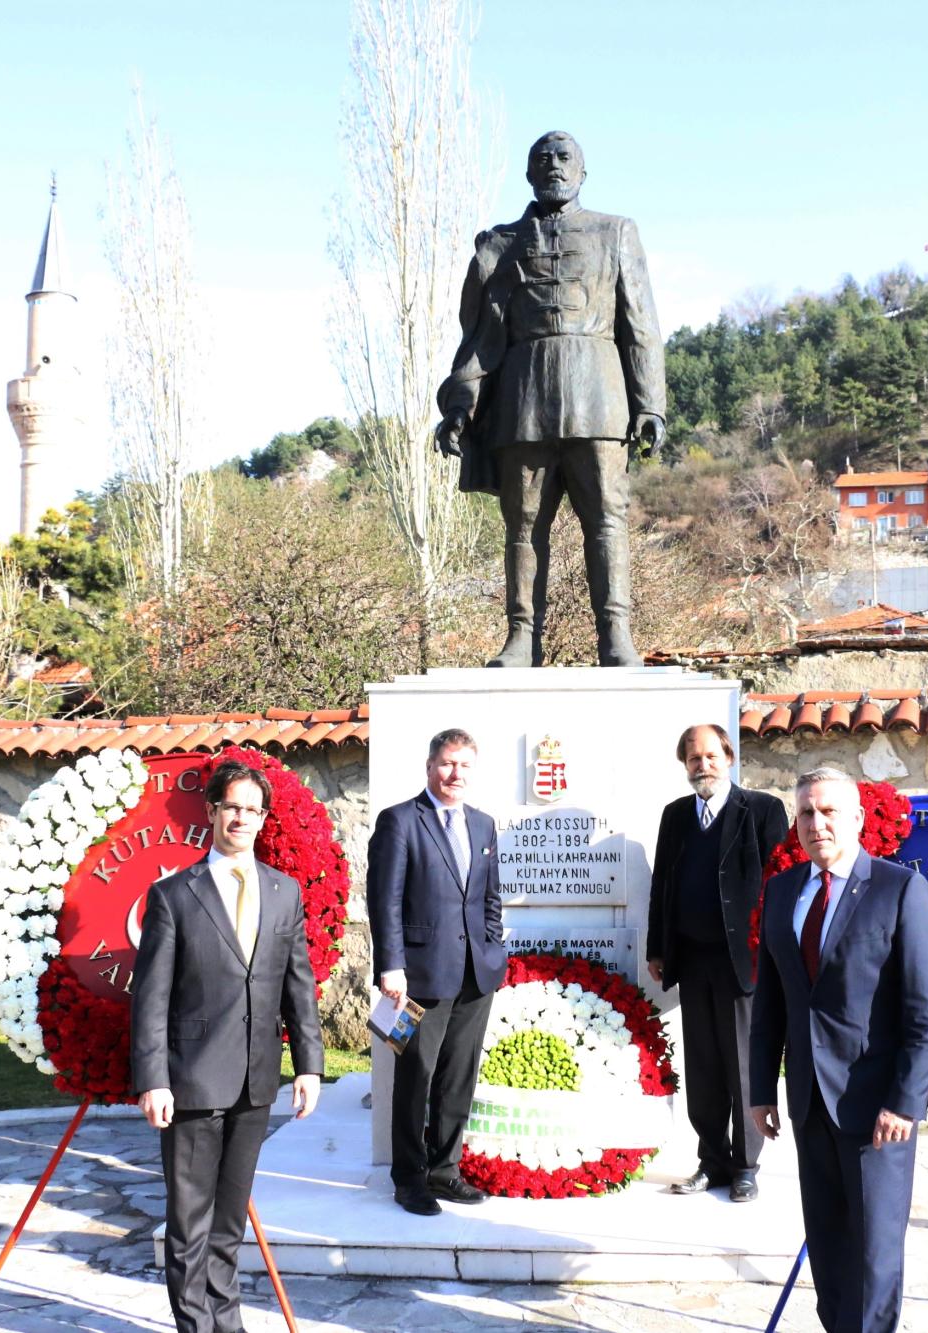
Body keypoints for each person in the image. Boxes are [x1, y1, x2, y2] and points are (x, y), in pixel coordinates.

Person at [435, 130, 666, 668]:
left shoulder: (616, 233)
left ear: (583, 173)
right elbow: (482, 336)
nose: (554, 166)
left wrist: (649, 402)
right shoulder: (499, 243)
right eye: (543, 159)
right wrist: (460, 402)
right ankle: (520, 638)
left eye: (565, 158)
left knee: (607, 521)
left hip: (601, 401)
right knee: (522, 526)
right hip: (524, 402)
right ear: (529, 174)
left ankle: (615, 637)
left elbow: (642, 327)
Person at [748, 767, 928, 1333]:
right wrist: (762, 1088)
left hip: (875, 1109)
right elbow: (773, 1000)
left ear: (857, 819)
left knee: (873, 1255)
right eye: (807, 813)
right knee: (830, 1246)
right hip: (810, 1104)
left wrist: (905, 1103)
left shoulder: (898, 889)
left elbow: (927, 1009)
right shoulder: (784, 889)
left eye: (830, 811)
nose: (817, 823)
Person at [131, 759, 323, 1333]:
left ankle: (227, 1321)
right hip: (190, 1078)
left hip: (256, 1079)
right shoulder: (173, 895)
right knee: (189, 1222)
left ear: (264, 819)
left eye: (252, 809)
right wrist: (153, 1078)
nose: (242, 817)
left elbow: (299, 985)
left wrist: (308, 1066)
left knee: (230, 1220)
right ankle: (196, 1326)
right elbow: (150, 996)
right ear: (212, 812)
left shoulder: (283, 892)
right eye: (232, 806)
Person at [368, 728, 508, 1214]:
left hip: (476, 975)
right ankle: (409, 1178)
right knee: (416, 1076)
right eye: (448, 764)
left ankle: (446, 1171)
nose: (456, 774)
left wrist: (494, 947)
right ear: (430, 766)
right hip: (419, 977)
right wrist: (392, 965)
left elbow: (490, 897)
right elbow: (384, 900)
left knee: (458, 1077)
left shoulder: (484, 824)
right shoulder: (401, 821)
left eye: (465, 765)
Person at [646, 723, 788, 1201]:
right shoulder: (675, 815)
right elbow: (662, 882)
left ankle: (746, 1165)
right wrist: (657, 948)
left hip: (743, 960)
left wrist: (775, 950)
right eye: (692, 759)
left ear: (728, 757)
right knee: (703, 1065)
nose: (702, 766)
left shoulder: (762, 810)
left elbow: (781, 883)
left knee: (742, 1063)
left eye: (710, 756)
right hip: (692, 957)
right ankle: (712, 1160)